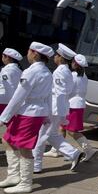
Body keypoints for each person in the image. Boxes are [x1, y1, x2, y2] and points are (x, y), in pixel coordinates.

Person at [0, 42, 53, 193]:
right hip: (33, 111)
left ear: (35, 53)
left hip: (29, 112)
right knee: (7, 139)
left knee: (24, 148)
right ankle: (14, 175)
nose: (27, 54)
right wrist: (47, 114)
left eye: (29, 51)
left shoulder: (32, 72)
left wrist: (4, 117)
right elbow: (49, 96)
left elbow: (18, 96)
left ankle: (25, 183)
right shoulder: (47, 72)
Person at [33, 44, 84, 173]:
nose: (54, 57)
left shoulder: (60, 71)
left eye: (56, 55)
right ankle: (73, 153)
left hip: (53, 109)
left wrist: (57, 113)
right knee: (52, 135)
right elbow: (68, 92)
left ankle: (36, 165)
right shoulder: (66, 72)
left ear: (61, 58)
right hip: (57, 108)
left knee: (41, 136)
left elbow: (60, 93)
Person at [57, 54, 95, 161]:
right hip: (76, 104)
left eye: (73, 62)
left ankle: (88, 150)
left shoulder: (72, 75)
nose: (71, 63)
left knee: (72, 131)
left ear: (75, 64)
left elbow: (67, 90)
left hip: (73, 105)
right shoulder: (84, 76)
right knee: (62, 127)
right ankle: (57, 149)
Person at [0, 48, 23, 114]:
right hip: (11, 101)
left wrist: (12, 105)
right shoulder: (18, 70)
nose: (2, 58)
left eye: (2, 56)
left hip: (4, 101)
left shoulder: (7, 70)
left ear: (7, 57)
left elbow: (9, 87)